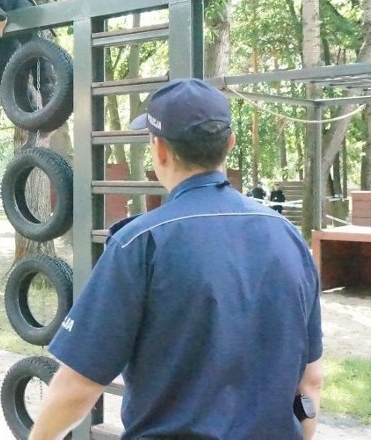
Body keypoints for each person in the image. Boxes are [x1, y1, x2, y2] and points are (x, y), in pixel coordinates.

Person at [29, 79, 323, 440]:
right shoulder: (290, 238)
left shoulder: (139, 243)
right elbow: (310, 383)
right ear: (228, 144)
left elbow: (79, 385)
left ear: (160, 149)